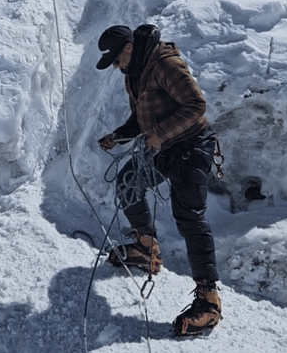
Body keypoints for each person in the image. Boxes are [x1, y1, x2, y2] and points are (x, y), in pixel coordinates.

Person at [95, 24, 223, 337]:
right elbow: (141, 118)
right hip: (163, 146)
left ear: (128, 48)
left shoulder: (164, 63)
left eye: (115, 59)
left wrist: (158, 134)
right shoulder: (133, 72)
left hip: (192, 147)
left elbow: (197, 105)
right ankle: (146, 247)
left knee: (189, 216)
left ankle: (209, 301)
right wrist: (119, 135)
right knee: (128, 182)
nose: (115, 66)